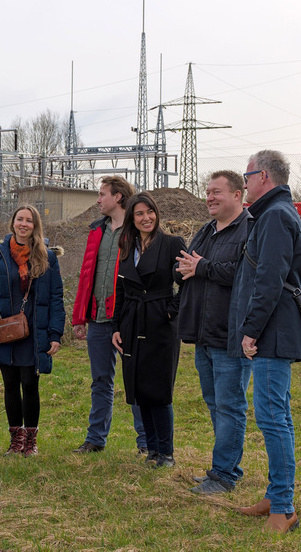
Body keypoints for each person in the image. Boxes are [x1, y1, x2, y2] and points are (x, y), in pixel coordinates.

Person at [228, 150, 301, 534]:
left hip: (273, 334)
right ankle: (277, 496)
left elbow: (271, 280)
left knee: (273, 419)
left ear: (263, 176)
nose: (244, 183)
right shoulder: (276, 213)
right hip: (274, 332)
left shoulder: (275, 216)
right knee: (278, 416)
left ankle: (285, 509)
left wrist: (251, 329)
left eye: (246, 175)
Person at [175, 171, 252, 494]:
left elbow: (246, 273)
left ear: (237, 195)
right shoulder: (207, 230)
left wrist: (202, 268)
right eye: (207, 192)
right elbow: (187, 264)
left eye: (216, 192)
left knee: (230, 405)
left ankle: (223, 475)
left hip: (230, 335)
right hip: (203, 334)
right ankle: (227, 466)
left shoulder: (250, 228)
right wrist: (186, 270)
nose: (209, 197)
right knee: (214, 402)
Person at [0, 205, 66, 457]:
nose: (24, 224)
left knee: (30, 383)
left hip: (35, 331)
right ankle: (15, 440)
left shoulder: (47, 256)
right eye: (20, 219)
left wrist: (55, 333)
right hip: (5, 330)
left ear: (35, 225)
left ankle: (30, 441)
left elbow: (57, 298)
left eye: (29, 220)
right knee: (9, 384)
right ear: (13, 223)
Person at [71, 176, 147, 454]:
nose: (98, 199)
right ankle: (95, 439)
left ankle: (146, 442)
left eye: (102, 194)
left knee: (136, 381)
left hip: (127, 320)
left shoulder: (138, 230)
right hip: (99, 319)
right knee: (100, 380)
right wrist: (80, 316)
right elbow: (87, 276)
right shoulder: (97, 231)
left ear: (118, 197)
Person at [111, 192, 185, 468]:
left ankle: (166, 453)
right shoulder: (127, 245)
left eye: (150, 212)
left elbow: (186, 281)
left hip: (160, 322)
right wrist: (117, 326)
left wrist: (170, 310)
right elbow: (121, 289)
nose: (146, 218)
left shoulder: (172, 243)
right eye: (139, 213)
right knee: (139, 387)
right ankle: (152, 450)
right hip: (132, 320)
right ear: (132, 218)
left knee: (159, 389)